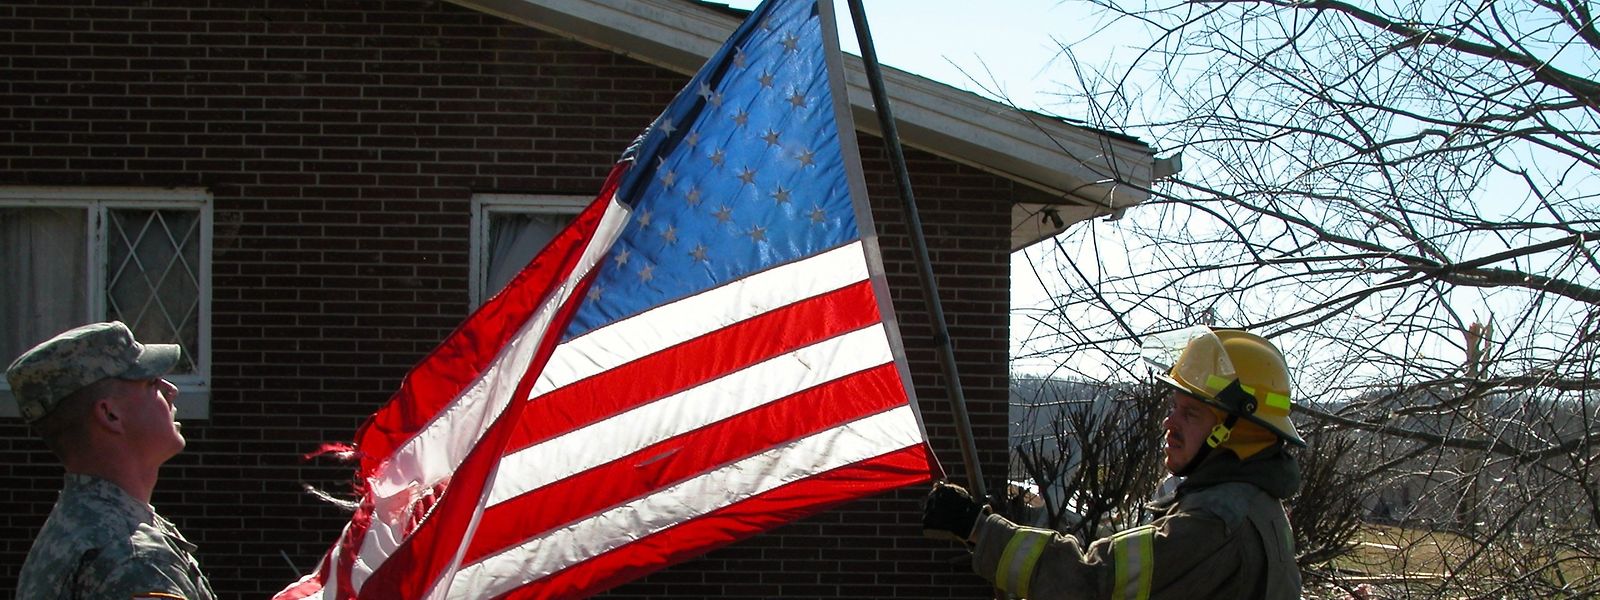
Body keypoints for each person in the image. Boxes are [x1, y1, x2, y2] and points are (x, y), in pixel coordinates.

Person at [923, 326, 1305, 600]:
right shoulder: (1252, 505)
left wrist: (977, 528)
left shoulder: (1216, 522)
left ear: (1235, 431)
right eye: (1174, 407)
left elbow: (1094, 582)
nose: (1169, 422)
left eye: (1191, 413)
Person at [6, 321, 215, 599]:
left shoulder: (72, 527)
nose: (171, 390)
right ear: (110, 414)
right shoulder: (136, 558)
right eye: (150, 382)